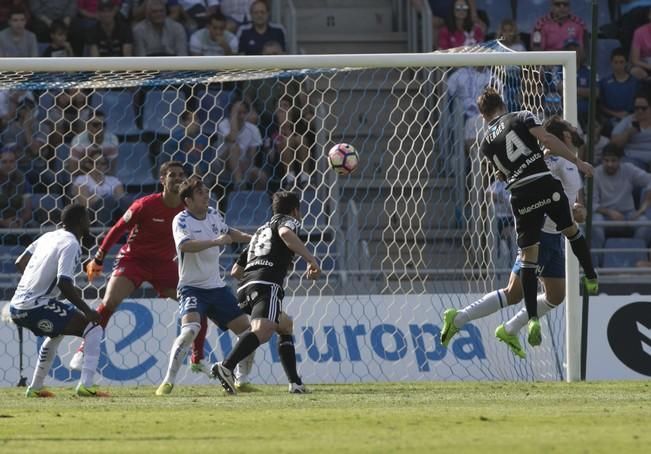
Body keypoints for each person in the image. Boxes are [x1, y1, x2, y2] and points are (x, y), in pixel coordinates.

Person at [440, 116, 586, 357]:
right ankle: (459, 318)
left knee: (556, 295)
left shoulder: (571, 167)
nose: (575, 132)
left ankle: (510, 328)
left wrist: (578, 212)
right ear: (565, 136)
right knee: (513, 293)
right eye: (571, 129)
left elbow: (577, 208)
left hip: (555, 237)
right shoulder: (549, 160)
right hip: (538, 235)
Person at [472, 88, 598, 347]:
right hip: (543, 190)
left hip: (519, 196)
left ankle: (525, 321)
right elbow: (547, 141)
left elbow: (501, 175)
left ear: (482, 116)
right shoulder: (522, 116)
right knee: (570, 233)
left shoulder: (485, 143)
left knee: (537, 272)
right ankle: (590, 276)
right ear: (503, 104)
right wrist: (577, 160)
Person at [68, 161, 192, 368]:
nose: (178, 178)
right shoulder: (144, 205)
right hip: (134, 260)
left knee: (193, 301)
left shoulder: (186, 209)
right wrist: (98, 259)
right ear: (163, 180)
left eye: (181, 175)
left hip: (165, 264)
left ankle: (197, 357)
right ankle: (83, 350)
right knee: (110, 302)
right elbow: (118, 229)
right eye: (173, 175)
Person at [211, 190, 321, 394]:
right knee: (263, 330)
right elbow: (286, 234)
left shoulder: (261, 231)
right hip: (266, 284)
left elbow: (236, 270)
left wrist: (254, 280)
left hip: (244, 288)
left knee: (285, 325)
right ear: (296, 211)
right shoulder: (288, 222)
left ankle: (295, 383)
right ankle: (226, 367)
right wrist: (311, 259)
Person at [156, 176, 252, 395]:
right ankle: (168, 381)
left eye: (207, 192)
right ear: (188, 200)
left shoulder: (213, 214)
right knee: (190, 330)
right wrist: (216, 241)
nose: (206, 196)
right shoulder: (181, 220)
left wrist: (251, 238)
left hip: (216, 288)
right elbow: (185, 246)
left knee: (247, 331)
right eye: (200, 193)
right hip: (191, 288)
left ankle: (241, 379)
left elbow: (228, 231)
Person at [9, 204, 106, 397]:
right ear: (80, 222)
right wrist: (87, 310)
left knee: (56, 333)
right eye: (87, 218)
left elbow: (20, 261)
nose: (89, 222)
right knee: (94, 328)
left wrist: (35, 284)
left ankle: (35, 388)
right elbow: (64, 283)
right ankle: (86, 386)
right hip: (36, 306)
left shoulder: (48, 236)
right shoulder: (71, 244)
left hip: (16, 306)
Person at [592, 142, 651, 262]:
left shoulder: (628, 169)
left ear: (620, 160)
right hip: (604, 216)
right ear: (602, 160)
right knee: (595, 224)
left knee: (645, 224)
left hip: (628, 215)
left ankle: (637, 259)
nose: (610, 164)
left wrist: (643, 208)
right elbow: (592, 204)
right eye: (606, 160)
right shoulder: (595, 173)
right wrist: (609, 212)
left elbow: (649, 181)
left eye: (613, 160)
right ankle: (598, 262)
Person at [599, 47, 638, 135]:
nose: (618, 65)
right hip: (610, 121)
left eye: (621, 62)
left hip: (632, 119)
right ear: (611, 63)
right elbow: (600, 106)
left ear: (626, 63)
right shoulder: (604, 83)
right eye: (615, 62)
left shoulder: (635, 82)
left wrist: (628, 115)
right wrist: (616, 114)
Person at [610, 90, 651, 170]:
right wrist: (628, 133)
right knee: (627, 167)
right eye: (637, 108)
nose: (640, 111)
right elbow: (614, 143)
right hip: (633, 159)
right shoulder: (627, 121)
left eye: (643, 108)